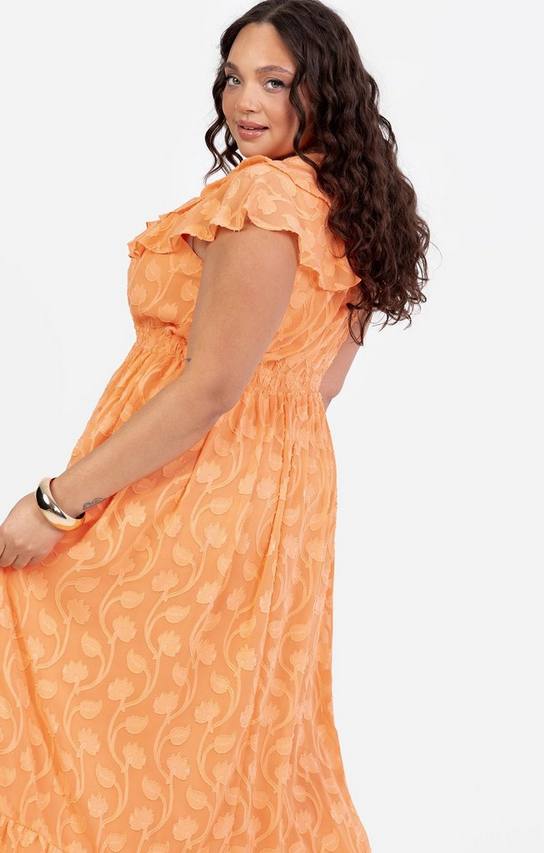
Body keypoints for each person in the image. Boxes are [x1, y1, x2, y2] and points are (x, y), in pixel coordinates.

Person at [0, 0, 429, 849]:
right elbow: (318, 387)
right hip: (278, 497)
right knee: (219, 729)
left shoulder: (266, 196)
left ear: (325, 89)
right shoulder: (349, 202)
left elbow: (210, 388)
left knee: (61, 661)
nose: (245, 101)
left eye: (275, 81)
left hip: (189, 489)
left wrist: (57, 502)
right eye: (234, 78)